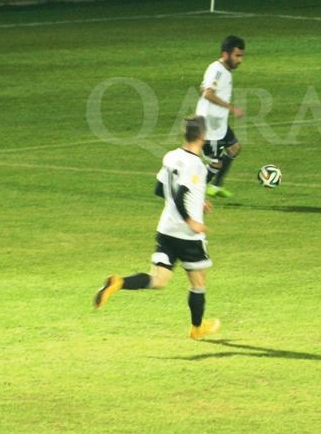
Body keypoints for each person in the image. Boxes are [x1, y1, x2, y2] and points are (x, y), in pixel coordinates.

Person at [94, 115, 219, 340]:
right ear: (202, 136)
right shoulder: (196, 165)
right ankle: (197, 329)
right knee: (198, 283)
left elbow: (160, 189)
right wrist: (191, 220)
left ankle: (118, 282)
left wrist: (197, 201)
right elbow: (180, 196)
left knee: (159, 279)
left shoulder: (171, 156)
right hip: (187, 235)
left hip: (166, 230)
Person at [196, 35, 245, 198]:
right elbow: (208, 93)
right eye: (237, 55)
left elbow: (204, 88)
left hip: (219, 124)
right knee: (215, 164)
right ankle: (194, 190)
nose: (240, 60)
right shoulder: (217, 70)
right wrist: (231, 107)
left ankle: (215, 186)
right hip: (209, 126)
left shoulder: (224, 71)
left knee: (234, 148)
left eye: (241, 56)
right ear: (225, 54)